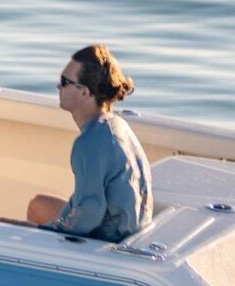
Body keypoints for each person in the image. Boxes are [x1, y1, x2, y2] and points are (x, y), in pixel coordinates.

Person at [24, 44, 154, 240]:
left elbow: (90, 212)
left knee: (0, 226)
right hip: (128, 232)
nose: (58, 86)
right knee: (38, 205)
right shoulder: (117, 125)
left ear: (85, 93)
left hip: (105, 241)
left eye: (65, 82)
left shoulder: (89, 143)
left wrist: (52, 231)